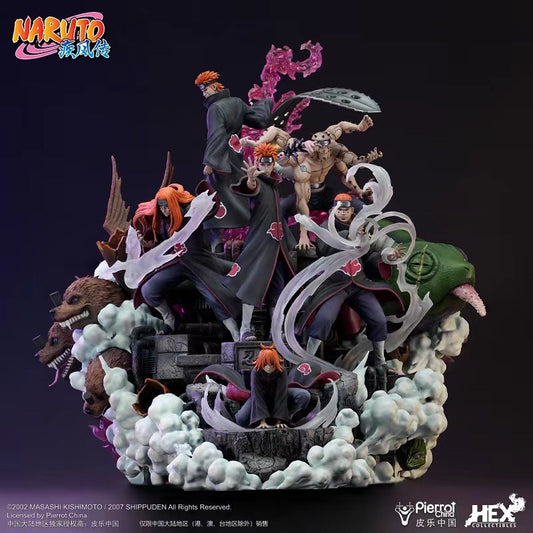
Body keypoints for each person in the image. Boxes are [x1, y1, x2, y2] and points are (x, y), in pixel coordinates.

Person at [300, 193, 404, 377]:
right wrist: (348, 236)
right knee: (324, 319)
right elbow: (324, 247)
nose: (343, 213)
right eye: (339, 210)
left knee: (379, 319)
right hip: (335, 285)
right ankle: (307, 362)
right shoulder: (326, 228)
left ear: (351, 211)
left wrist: (387, 255)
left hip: (358, 284)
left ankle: (380, 361)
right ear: (333, 210)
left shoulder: (361, 228)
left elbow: (371, 252)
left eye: (346, 210)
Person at [132, 184, 240, 340]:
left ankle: (236, 334)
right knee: (148, 289)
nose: (164, 210)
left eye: (166, 206)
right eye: (161, 207)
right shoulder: (164, 222)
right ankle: (170, 320)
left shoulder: (190, 212)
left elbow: (210, 209)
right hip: (175, 264)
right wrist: (147, 244)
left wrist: (210, 196)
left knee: (217, 298)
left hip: (198, 264)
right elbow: (161, 246)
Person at [224, 144, 296, 341]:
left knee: (278, 289)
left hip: (277, 248)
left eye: (269, 163)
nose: (265, 166)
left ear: (273, 164)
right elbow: (250, 189)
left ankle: (276, 331)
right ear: (257, 163)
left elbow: (278, 217)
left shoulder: (273, 186)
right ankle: (245, 329)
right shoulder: (259, 183)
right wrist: (251, 179)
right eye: (262, 163)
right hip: (261, 246)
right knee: (252, 285)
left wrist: (289, 242)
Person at [195, 71, 273, 242]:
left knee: (214, 199)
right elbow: (257, 119)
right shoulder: (237, 102)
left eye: (205, 89)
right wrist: (265, 104)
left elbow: (216, 135)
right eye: (202, 90)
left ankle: (217, 243)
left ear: (214, 87)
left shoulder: (215, 109)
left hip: (222, 160)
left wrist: (211, 162)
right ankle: (246, 232)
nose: (204, 93)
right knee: (240, 191)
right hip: (237, 156)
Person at [234, 345, 310, 429]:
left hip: (279, 394)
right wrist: (262, 421)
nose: (269, 367)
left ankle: (287, 418)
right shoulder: (256, 371)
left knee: (303, 395)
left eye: (272, 364)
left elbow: (281, 394)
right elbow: (257, 394)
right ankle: (262, 419)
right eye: (265, 364)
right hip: (260, 396)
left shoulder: (281, 371)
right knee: (240, 419)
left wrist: (280, 421)